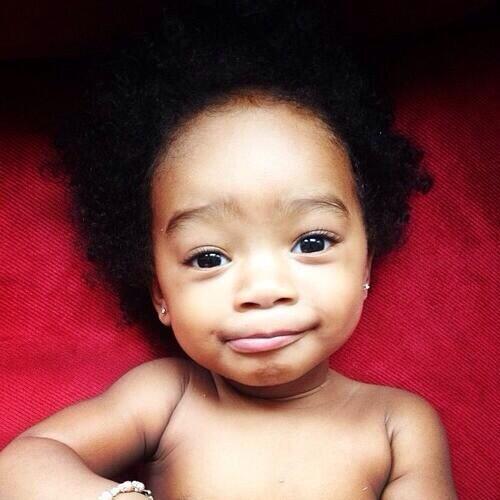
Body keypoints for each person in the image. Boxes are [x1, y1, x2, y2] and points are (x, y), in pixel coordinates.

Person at [0, 1, 457, 498]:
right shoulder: (169, 398)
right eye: (209, 258)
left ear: (365, 263)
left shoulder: (396, 425)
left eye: (311, 243)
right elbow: (22, 463)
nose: (263, 290)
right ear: (160, 292)